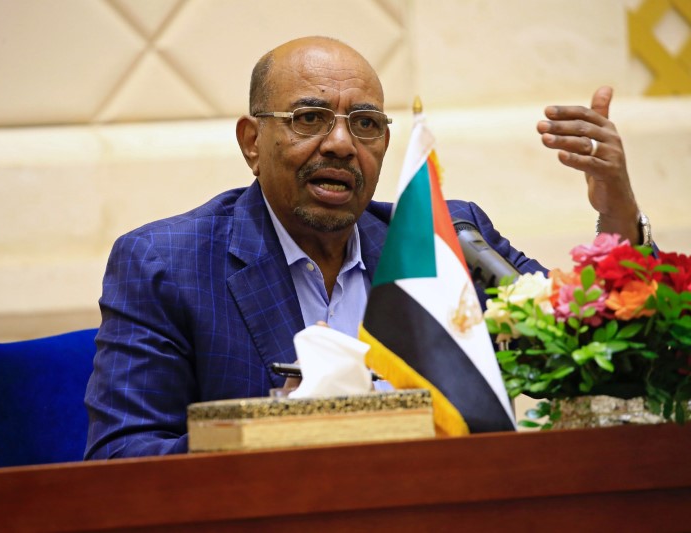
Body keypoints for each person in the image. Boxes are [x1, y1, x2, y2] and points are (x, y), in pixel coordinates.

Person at [84, 36, 649, 459]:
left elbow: (592, 348)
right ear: (252, 142)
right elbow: (120, 460)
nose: (340, 143)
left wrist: (616, 211)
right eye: (309, 118)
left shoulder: (443, 241)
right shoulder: (167, 263)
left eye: (365, 123)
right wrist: (278, 429)